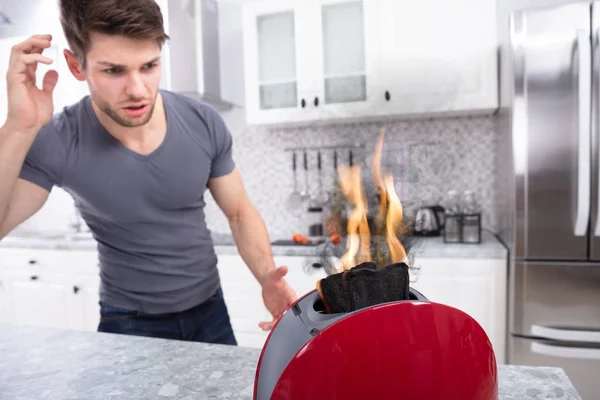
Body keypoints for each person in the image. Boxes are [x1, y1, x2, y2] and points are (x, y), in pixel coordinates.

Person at [0, 0, 297, 345]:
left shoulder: (202, 122)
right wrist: (17, 128)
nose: (138, 90)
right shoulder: (58, 139)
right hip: (127, 322)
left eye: (149, 65)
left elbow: (239, 213)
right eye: (114, 71)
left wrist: (265, 278)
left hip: (210, 311)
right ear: (75, 66)